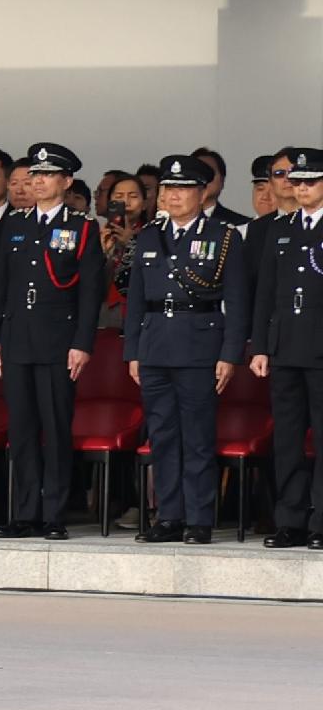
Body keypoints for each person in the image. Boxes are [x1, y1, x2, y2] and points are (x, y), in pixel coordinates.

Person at [0, 143, 102, 540]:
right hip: (16, 338)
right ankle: (25, 512)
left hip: (57, 340)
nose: (38, 181)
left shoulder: (82, 227)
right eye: (35, 175)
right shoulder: (16, 224)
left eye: (48, 175)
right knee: (22, 429)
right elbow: (1, 284)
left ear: (66, 182)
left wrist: (82, 342)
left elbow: (89, 293)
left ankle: (54, 513)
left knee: (55, 427)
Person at [126, 155, 237, 542]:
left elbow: (236, 302)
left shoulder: (223, 237)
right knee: (162, 434)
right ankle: (169, 516)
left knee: (197, 436)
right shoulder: (149, 236)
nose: (173, 197)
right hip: (155, 345)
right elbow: (136, 299)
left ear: (202, 192)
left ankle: (199, 518)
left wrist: (229, 354)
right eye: (168, 189)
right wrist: (133, 351)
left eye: (183, 189)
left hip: (199, 344)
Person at [232, 145, 323, 545]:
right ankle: (290, 519)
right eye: (295, 180)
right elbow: (265, 293)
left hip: (320, 348)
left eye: (311, 181)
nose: (301, 188)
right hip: (285, 348)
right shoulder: (280, 228)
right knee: (286, 439)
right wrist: (262, 347)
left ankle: (320, 521)